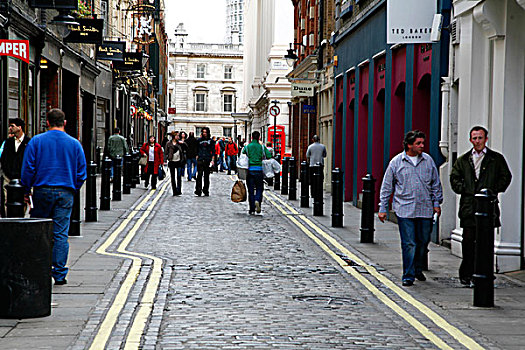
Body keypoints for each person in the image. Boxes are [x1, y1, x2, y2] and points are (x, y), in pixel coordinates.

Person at [21, 109, 87, 285]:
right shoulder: (74, 144)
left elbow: (28, 169)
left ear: (47, 123)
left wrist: (27, 190)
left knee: (40, 231)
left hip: (42, 191)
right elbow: (82, 172)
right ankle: (59, 274)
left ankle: (39, 269)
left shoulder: (36, 141)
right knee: (60, 234)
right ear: (64, 123)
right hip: (65, 192)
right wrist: (73, 188)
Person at [378, 130, 443, 287]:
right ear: (409, 145)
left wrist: (436, 203)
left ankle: (417, 267)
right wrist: (383, 207)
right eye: (418, 143)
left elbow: (436, 184)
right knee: (409, 243)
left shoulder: (428, 161)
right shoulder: (396, 162)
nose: (422, 146)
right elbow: (387, 186)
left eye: (422, 143)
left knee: (422, 241)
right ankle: (408, 274)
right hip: (404, 209)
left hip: (425, 208)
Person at [450, 126, 512, 287]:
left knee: (485, 242)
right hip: (469, 208)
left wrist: (492, 190)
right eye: (474, 138)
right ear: (470, 140)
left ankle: (484, 273)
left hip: (488, 208)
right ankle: (467, 274)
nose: (477, 141)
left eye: (480, 138)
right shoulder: (463, 160)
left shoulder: (495, 159)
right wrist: (465, 189)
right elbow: (454, 179)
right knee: (469, 242)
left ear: (486, 139)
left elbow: (506, 177)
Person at [1, 118, 31, 213]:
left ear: (19, 127)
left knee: (22, 202)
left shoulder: (28, 142)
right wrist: (7, 172)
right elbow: (4, 158)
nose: (10, 128)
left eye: (12, 126)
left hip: (23, 178)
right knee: (7, 200)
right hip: (8, 178)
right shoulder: (8, 142)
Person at [243, 131, 272, 215]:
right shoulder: (262, 147)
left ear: (251, 137)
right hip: (259, 170)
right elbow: (269, 156)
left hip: (250, 170)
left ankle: (252, 209)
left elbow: (243, 153)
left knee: (251, 190)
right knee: (259, 188)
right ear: (259, 137)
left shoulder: (248, 146)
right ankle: (257, 200)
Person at [194, 127, 215, 196]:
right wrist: (197, 156)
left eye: (205, 132)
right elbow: (196, 149)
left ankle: (206, 190)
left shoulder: (211, 141)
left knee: (206, 176)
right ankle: (198, 190)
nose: (204, 133)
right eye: (203, 132)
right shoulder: (199, 140)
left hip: (207, 159)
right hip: (200, 159)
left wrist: (212, 160)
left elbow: (213, 151)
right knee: (199, 175)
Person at [165, 131, 184, 196]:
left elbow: (186, 148)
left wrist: (183, 143)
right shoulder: (168, 143)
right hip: (172, 161)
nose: (178, 137)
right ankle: (174, 191)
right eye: (177, 135)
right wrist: (167, 158)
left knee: (179, 176)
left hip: (178, 161)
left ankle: (179, 190)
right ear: (174, 136)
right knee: (172, 177)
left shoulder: (179, 143)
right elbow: (166, 152)